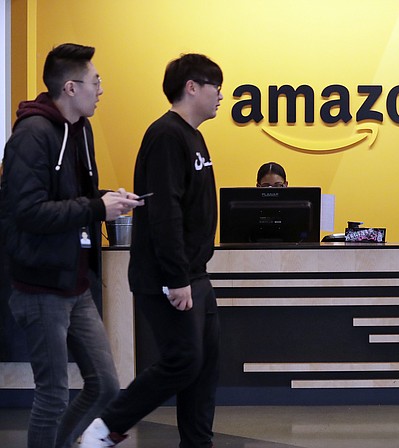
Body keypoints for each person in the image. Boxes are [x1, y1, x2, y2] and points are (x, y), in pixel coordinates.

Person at [0, 43, 141, 448]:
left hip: (75, 283)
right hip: (41, 286)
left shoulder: (80, 130)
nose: (102, 89)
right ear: (72, 87)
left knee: (105, 385)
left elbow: (73, 196)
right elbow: (28, 212)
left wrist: (108, 200)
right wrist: (96, 206)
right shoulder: (31, 135)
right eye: (96, 82)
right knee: (52, 395)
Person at [80, 53, 224, 448]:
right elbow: (164, 212)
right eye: (216, 87)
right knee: (183, 360)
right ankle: (105, 428)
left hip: (196, 274)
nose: (221, 96)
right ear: (191, 87)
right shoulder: (166, 135)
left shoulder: (194, 136)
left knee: (204, 367)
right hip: (167, 276)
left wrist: (190, 275)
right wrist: (177, 278)